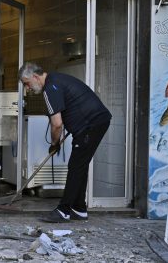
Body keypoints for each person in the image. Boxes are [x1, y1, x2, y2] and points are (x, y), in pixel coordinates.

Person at [18, 62, 112, 222]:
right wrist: (59, 139)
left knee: (76, 166)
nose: (28, 88)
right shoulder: (56, 80)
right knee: (79, 165)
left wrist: (55, 144)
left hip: (90, 124)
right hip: (95, 122)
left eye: (27, 84)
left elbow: (56, 124)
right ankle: (79, 209)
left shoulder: (50, 88)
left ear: (35, 77)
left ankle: (63, 210)